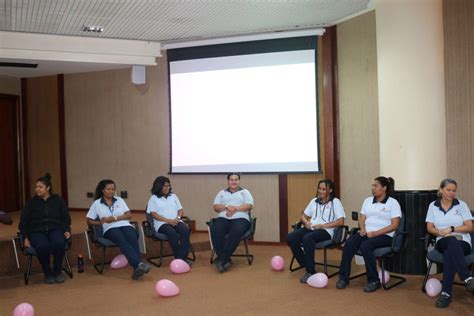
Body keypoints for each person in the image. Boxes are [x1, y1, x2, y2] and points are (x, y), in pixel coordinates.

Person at [336, 176, 401, 292]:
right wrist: (362, 228)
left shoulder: (393, 203)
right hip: (367, 232)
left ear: (384, 188)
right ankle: (343, 278)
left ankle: (374, 281)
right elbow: (362, 218)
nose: (373, 188)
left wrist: (375, 233)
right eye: (372, 186)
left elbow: (394, 225)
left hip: (386, 235)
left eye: (376, 186)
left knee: (366, 246)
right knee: (349, 242)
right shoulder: (367, 201)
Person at [86, 179, 151, 280]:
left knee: (132, 236)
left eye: (113, 189)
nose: (111, 191)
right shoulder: (97, 203)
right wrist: (99, 222)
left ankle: (137, 267)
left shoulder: (119, 200)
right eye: (108, 189)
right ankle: (138, 263)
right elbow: (89, 220)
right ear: (103, 190)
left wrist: (115, 218)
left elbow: (129, 215)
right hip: (109, 228)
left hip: (125, 224)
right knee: (121, 240)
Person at [425, 178, 474, 308]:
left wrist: (452, 229)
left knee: (449, 252)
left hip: (463, 243)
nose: (451, 193)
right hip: (442, 241)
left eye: (454, 190)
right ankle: (467, 278)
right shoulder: (433, 206)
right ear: (441, 190)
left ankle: (446, 293)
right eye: (448, 190)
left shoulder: (461, 205)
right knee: (450, 242)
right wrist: (438, 232)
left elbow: (470, 227)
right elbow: (429, 227)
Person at [287, 179, 345, 283]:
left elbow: (341, 222)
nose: (321, 191)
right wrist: (306, 223)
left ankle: (310, 271)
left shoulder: (335, 202)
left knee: (308, 238)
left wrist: (323, 226)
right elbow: (303, 216)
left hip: (326, 231)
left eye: (324, 189)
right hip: (311, 228)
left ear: (330, 190)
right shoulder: (314, 201)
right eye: (319, 189)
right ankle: (305, 263)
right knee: (291, 237)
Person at [19, 173, 71, 284]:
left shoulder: (58, 200)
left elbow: (65, 218)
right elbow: (23, 222)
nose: (37, 189)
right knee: (43, 246)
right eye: (36, 187)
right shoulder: (31, 203)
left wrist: (66, 229)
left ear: (48, 188)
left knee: (59, 243)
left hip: (55, 228)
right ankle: (47, 272)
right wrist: (25, 237)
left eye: (40, 187)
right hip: (36, 231)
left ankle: (57, 271)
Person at [211, 173, 254, 273]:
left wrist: (235, 208)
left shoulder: (245, 192)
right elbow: (216, 207)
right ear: (228, 181)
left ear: (239, 181)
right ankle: (225, 259)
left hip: (241, 218)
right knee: (216, 230)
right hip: (223, 217)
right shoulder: (221, 192)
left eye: (236, 180)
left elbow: (249, 205)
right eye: (231, 179)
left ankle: (222, 259)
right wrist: (226, 207)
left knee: (236, 231)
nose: (233, 182)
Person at [146, 176, 191, 262]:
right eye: (165, 186)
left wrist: (177, 218)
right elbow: (154, 214)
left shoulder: (173, 196)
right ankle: (179, 259)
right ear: (159, 187)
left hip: (176, 221)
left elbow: (180, 210)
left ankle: (183, 257)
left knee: (185, 230)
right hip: (162, 223)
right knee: (172, 233)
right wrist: (168, 221)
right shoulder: (153, 198)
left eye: (168, 185)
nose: (167, 188)